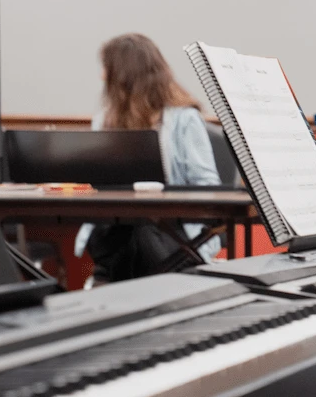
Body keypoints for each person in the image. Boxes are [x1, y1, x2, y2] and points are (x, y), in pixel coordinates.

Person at [83, 33, 221, 282]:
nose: (102, 77)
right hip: (115, 229)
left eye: (106, 69)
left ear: (123, 75)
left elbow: (207, 187)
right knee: (124, 228)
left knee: (142, 225)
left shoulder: (183, 119)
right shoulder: (104, 120)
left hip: (170, 231)